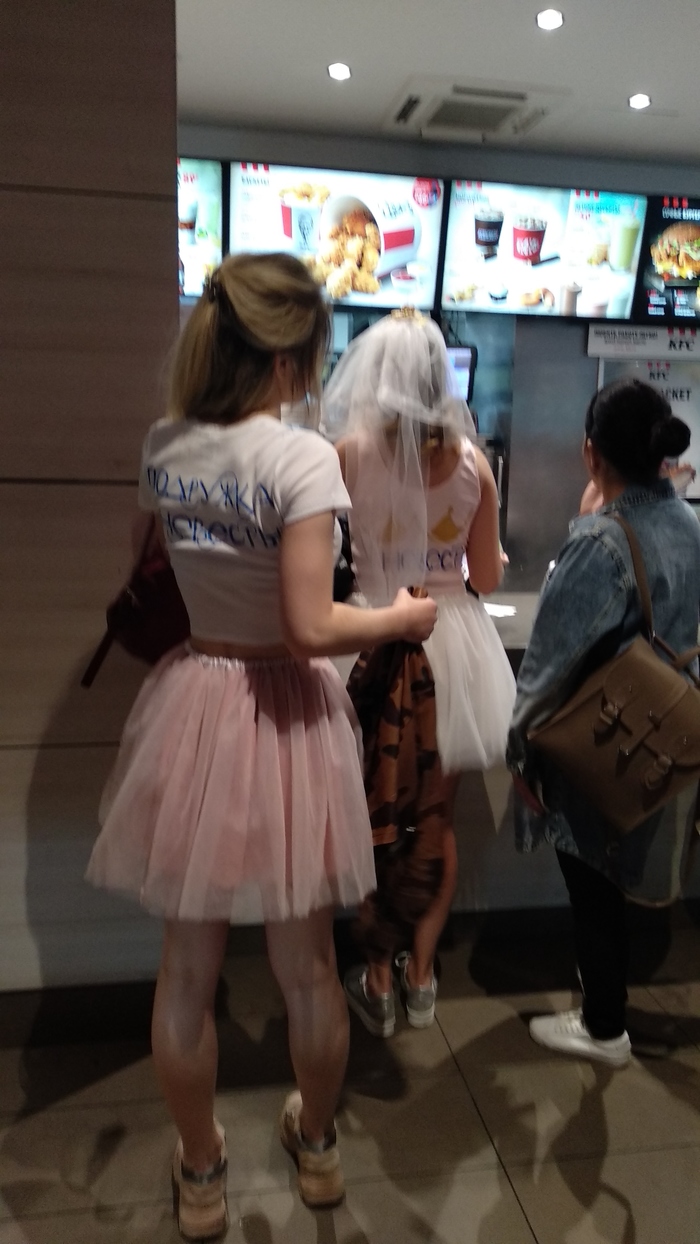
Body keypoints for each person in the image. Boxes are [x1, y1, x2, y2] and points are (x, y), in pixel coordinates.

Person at [86, 253, 437, 1241]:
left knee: (186, 970)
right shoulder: (301, 458)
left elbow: (147, 563)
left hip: (197, 702)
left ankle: (201, 1170)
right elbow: (309, 626)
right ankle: (317, 1148)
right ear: (287, 360)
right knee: (308, 967)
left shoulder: (166, 442)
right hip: (285, 715)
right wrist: (398, 618)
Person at [322, 309, 516, 1037]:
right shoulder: (473, 464)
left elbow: (325, 558)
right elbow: (486, 578)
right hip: (451, 643)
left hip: (370, 640)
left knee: (376, 819)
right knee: (436, 820)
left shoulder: (347, 454)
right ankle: (424, 977)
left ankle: (376, 979)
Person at [508, 377, 700, 1067]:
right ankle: (604, 1004)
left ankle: (603, 1026)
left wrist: (519, 754)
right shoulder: (688, 524)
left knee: (591, 877)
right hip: (666, 734)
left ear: (591, 453)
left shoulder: (601, 543)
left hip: (605, 739)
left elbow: (548, 667)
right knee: (618, 877)